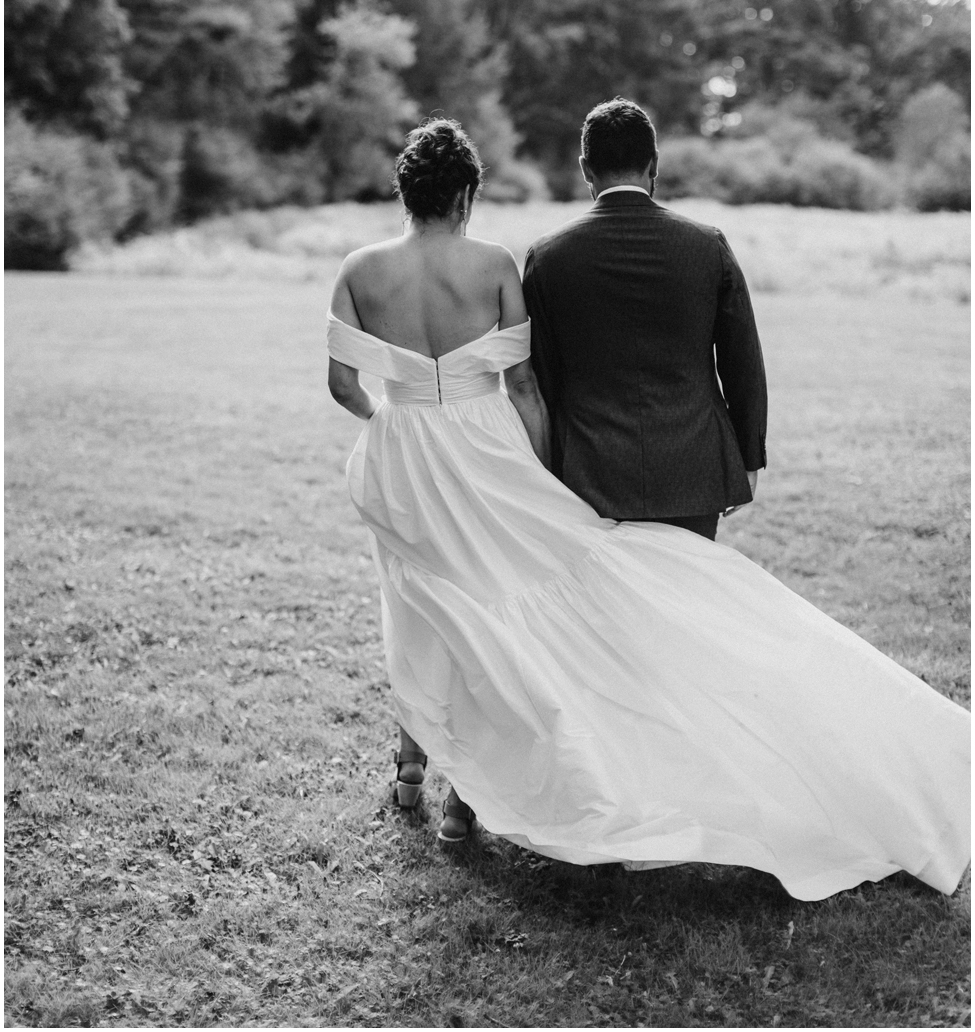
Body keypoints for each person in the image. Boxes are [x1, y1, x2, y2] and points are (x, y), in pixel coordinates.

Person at [326, 116, 970, 899]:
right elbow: (546, 383)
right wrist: (740, 456)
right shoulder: (634, 250)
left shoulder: (448, 262)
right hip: (586, 463)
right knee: (581, 621)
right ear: (466, 192)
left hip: (457, 467)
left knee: (431, 610)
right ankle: (513, 791)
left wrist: (400, 429)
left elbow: (353, 385)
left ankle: (417, 771)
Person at [522, 97, 766, 540]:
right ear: (654, 164)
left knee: (605, 607)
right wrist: (748, 459)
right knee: (688, 601)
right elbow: (741, 361)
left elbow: (543, 376)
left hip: (588, 476)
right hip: (693, 468)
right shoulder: (707, 246)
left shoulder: (548, 258)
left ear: (584, 168)